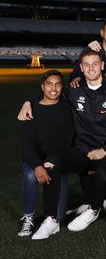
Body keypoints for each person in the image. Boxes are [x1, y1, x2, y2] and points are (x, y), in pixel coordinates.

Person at [27, 48, 106, 239]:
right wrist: (29, 101)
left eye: (95, 64)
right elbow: (50, 93)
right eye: (86, 64)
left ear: (102, 65)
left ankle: (94, 208)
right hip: (82, 148)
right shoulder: (73, 90)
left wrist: (105, 149)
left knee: (102, 172)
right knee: (51, 163)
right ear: (81, 68)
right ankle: (51, 220)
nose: (91, 68)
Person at [18, 71, 73, 237]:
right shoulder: (31, 110)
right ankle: (28, 217)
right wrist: (37, 166)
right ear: (42, 87)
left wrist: (54, 162)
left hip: (57, 160)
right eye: (49, 84)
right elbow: (27, 146)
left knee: (59, 216)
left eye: (57, 84)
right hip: (36, 159)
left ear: (62, 87)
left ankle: (55, 215)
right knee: (29, 176)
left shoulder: (67, 107)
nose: (53, 88)